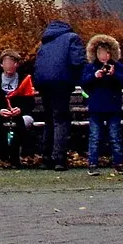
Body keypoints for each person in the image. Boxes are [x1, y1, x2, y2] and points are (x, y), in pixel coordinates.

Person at [32, 19, 88, 168]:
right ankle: (59, 158)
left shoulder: (45, 40)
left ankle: (46, 157)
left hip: (43, 82)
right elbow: (77, 61)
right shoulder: (72, 38)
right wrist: (79, 79)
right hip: (61, 82)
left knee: (49, 119)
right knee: (61, 119)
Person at [0, 49, 38, 166]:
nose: (9, 65)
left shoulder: (25, 79)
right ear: (1, 65)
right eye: (6, 62)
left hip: (20, 113)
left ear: (17, 64)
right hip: (0, 113)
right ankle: (1, 152)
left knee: (24, 122)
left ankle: (18, 155)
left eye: (12, 62)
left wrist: (20, 109)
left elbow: (30, 102)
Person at [81, 33, 123, 173]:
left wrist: (113, 75)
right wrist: (95, 76)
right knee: (95, 137)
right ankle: (92, 164)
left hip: (113, 107)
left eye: (106, 53)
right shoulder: (90, 67)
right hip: (96, 107)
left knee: (115, 137)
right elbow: (84, 82)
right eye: (100, 53)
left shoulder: (118, 67)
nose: (103, 56)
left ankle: (118, 164)